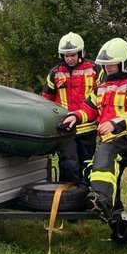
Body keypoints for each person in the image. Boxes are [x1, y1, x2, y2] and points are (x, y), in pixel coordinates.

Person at [61, 38, 127, 243]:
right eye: (106, 65)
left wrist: (116, 124)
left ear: (125, 63)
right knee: (111, 179)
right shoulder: (101, 87)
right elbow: (88, 108)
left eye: (112, 64)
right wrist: (74, 116)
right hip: (112, 142)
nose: (108, 68)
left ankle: (99, 200)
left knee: (105, 155)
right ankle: (121, 233)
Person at [41, 32, 99, 184]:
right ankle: (68, 200)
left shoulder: (95, 70)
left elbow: (103, 97)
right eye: (66, 56)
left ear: (80, 53)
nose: (69, 59)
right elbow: (46, 99)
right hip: (66, 129)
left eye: (72, 55)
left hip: (88, 129)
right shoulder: (55, 73)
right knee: (68, 165)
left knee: (88, 165)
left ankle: (87, 198)